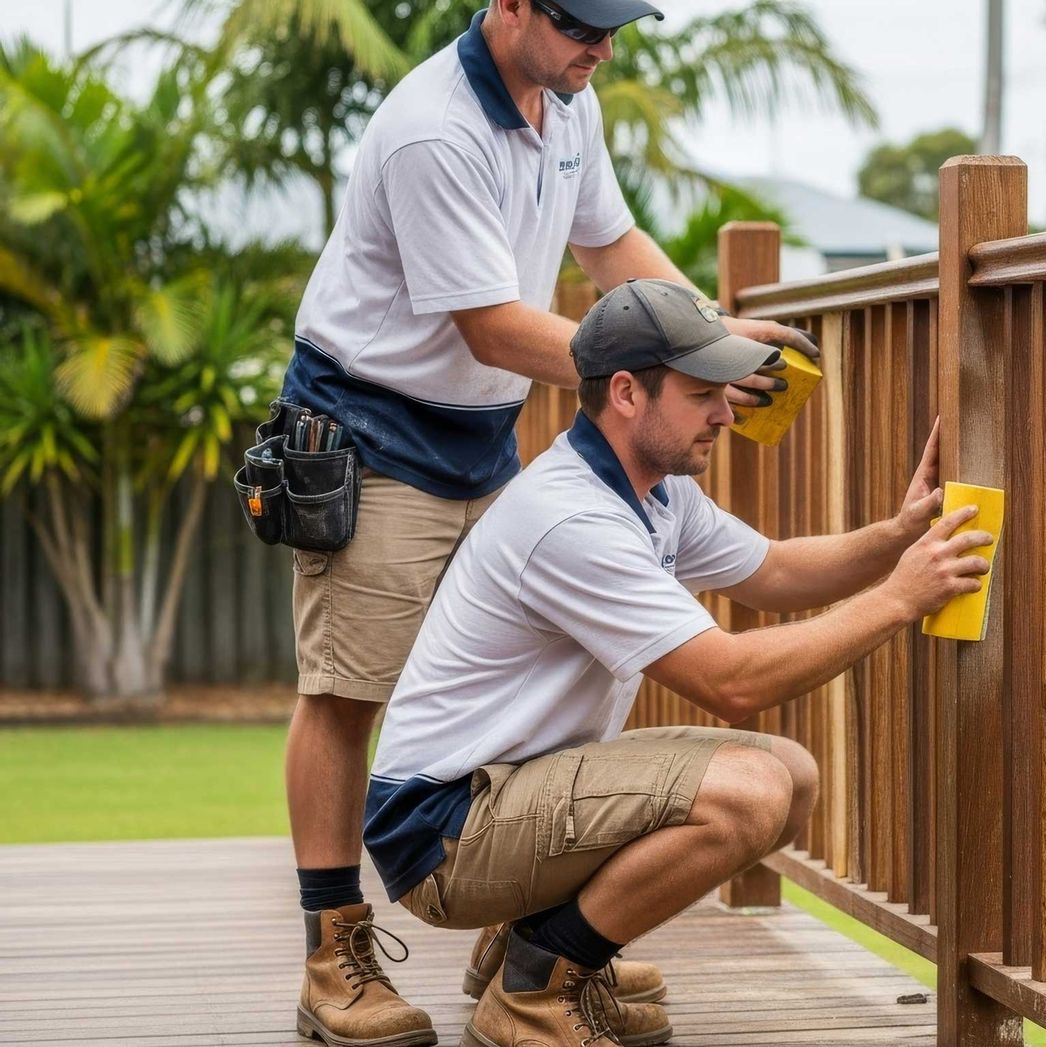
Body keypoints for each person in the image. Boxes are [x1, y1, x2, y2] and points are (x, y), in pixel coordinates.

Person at [276, 1, 817, 1043]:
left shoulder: (567, 98)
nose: (603, 49)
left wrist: (702, 335)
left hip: (481, 425)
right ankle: (330, 953)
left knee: (523, 671)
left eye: (617, 28)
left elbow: (611, 244)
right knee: (348, 690)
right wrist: (653, 365)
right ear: (509, 3)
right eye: (583, 23)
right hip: (372, 427)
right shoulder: (436, 126)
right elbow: (487, 322)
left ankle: (528, 932)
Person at [361, 279, 992, 1047]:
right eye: (704, 395)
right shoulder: (572, 517)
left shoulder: (652, 490)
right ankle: (536, 984)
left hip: (499, 794)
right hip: (444, 829)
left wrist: (898, 535)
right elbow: (733, 681)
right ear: (626, 393)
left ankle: (539, 946)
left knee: (789, 772)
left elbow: (776, 572)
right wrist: (899, 598)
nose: (727, 413)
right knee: (748, 792)